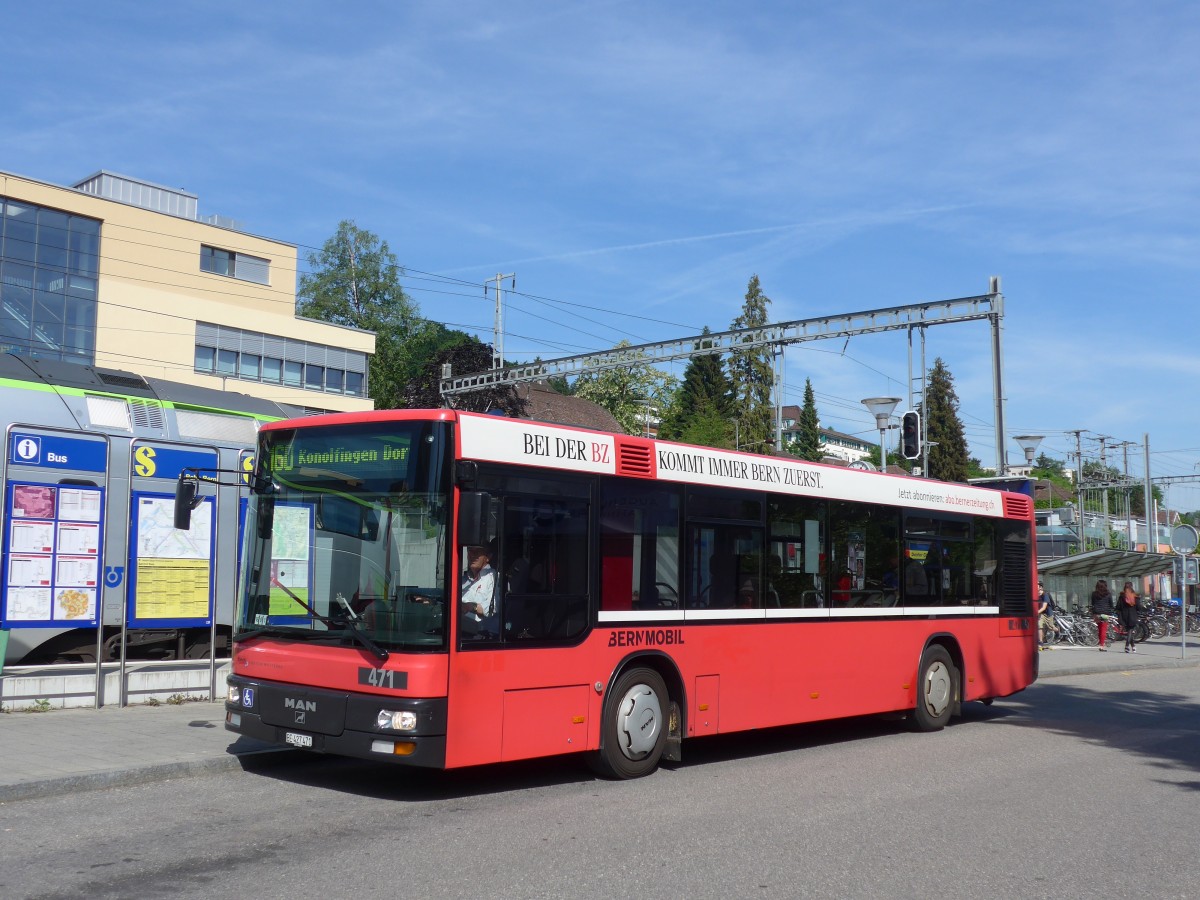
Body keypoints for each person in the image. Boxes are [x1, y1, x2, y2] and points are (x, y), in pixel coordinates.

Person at [460, 544, 498, 636]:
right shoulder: (463, 580)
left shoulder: (494, 578)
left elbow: (492, 609)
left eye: (477, 552)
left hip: (482, 636)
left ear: (488, 557)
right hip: (460, 630)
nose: (473, 555)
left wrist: (470, 606)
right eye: (470, 551)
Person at [1117, 581, 1141, 653]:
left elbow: (1118, 607)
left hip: (1124, 616)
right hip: (1132, 615)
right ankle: (1127, 646)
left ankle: (1133, 646)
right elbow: (1138, 607)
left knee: (1129, 631)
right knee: (1130, 630)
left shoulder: (1121, 597)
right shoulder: (1135, 596)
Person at [1091, 578, 1114, 651]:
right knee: (1104, 629)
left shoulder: (1094, 594)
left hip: (1097, 613)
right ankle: (1101, 645)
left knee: (1099, 629)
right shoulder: (1108, 594)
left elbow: (1093, 603)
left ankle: (1100, 643)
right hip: (1105, 614)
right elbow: (1111, 604)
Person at [1037, 581, 1056, 647]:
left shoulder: (1045, 595)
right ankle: (1040, 642)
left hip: (1048, 613)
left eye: (1037, 585)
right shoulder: (1036, 595)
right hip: (1041, 613)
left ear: (1040, 587)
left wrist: (1036, 612)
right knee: (1039, 626)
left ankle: (1058, 631)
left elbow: (1044, 607)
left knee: (1050, 627)